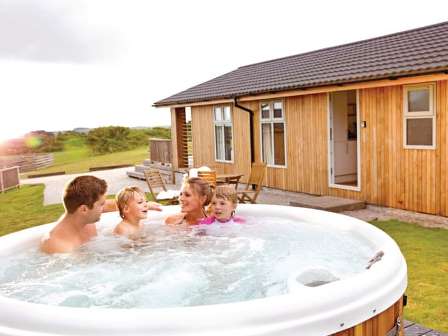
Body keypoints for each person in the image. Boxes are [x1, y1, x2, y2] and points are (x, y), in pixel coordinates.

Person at [40, 175, 108, 254]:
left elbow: (109, 205)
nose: (104, 208)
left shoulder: (87, 222)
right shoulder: (57, 245)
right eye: (101, 204)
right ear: (84, 209)